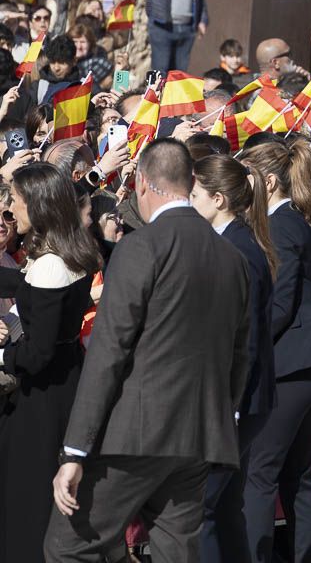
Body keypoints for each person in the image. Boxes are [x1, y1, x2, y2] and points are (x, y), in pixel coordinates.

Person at [45, 139, 251, 561]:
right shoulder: (232, 256)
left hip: (135, 434)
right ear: (190, 183)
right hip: (198, 435)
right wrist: (221, 415)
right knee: (177, 553)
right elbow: (241, 354)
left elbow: (109, 351)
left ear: (141, 182)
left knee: (69, 548)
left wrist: (76, 449)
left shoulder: (141, 246)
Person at [240, 140, 311, 562]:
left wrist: (244, 348)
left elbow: (281, 303)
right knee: (297, 475)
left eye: (247, 177)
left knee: (259, 474)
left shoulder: (281, 225)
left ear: (268, 182)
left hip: (293, 363)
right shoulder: (291, 221)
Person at [0, 164, 102, 562]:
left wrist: (3, 355)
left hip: (42, 397)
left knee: (29, 497)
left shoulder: (49, 264)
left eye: (14, 201)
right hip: (66, 381)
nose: (10, 211)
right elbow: (27, 288)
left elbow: (37, 352)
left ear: (37, 205)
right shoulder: (72, 251)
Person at [190, 155, 278, 563]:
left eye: (195, 194)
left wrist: (232, 405)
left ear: (218, 199)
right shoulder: (235, 242)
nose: (190, 202)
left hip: (238, 399)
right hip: (242, 398)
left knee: (202, 508)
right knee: (224, 507)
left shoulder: (236, 249)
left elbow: (245, 338)